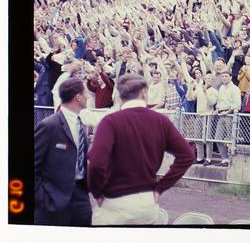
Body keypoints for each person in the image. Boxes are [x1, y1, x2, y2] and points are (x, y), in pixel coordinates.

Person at [87, 74, 195, 225]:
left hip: (114, 202)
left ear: (119, 94)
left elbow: (96, 163)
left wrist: (97, 192)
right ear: (144, 92)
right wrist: (160, 188)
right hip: (147, 202)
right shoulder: (161, 121)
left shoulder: (110, 122)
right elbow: (188, 155)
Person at [34, 78, 92, 226]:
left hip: (80, 196)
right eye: (86, 93)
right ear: (78, 97)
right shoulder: (49, 126)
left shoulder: (81, 123)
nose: (88, 96)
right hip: (53, 200)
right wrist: (42, 198)